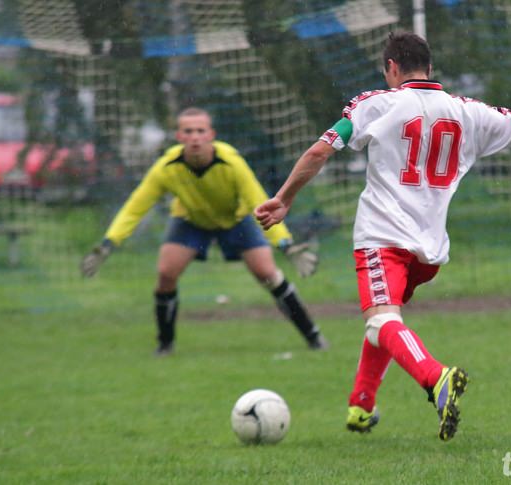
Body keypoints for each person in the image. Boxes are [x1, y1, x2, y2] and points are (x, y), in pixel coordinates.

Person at [255, 32, 511, 441]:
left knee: (381, 321)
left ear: (391, 68)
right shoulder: (468, 111)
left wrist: (283, 199)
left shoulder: (376, 103)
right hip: (430, 251)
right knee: (387, 321)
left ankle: (435, 377)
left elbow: (320, 151)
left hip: (382, 237)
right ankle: (360, 404)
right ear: (430, 66)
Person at [81, 107, 328, 355]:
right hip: (191, 222)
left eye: (200, 131)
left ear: (211, 134)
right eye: (188, 131)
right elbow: (135, 207)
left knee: (267, 274)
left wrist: (285, 244)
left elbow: (259, 201)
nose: (195, 136)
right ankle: (165, 345)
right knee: (166, 273)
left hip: (236, 220)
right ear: (179, 136)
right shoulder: (166, 167)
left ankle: (313, 336)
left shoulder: (232, 162)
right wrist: (109, 243)